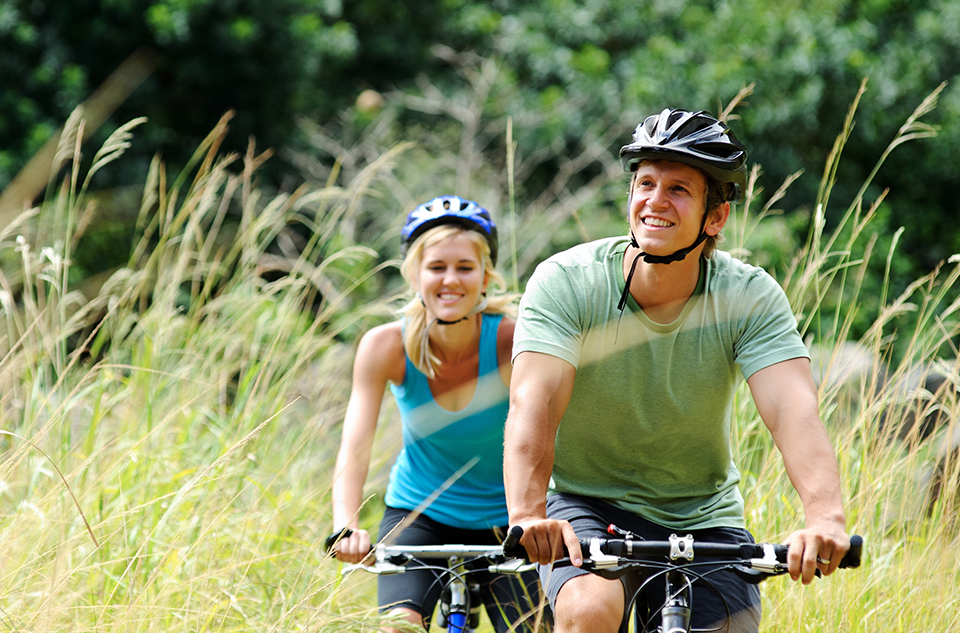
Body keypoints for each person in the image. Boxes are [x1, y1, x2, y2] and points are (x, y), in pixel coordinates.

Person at [502, 108, 850, 633]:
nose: (654, 201)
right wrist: (528, 514)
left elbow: (793, 409)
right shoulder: (565, 282)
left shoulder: (748, 297)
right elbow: (535, 403)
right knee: (589, 611)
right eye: (645, 183)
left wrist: (825, 519)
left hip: (702, 515)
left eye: (679, 189)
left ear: (715, 218)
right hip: (587, 502)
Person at [329, 195, 548, 633]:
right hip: (419, 514)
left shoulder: (513, 339)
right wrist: (345, 527)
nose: (450, 280)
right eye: (436, 267)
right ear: (414, 274)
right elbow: (354, 450)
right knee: (400, 627)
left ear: (486, 276)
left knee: (536, 627)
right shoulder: (384, 346)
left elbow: (554, 431)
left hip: (510, 518)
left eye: (465, 268)